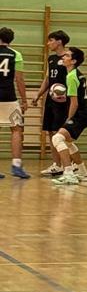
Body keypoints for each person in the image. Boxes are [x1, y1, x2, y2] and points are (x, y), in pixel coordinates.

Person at [31, 28, 71, 176]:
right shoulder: (51, 59)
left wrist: (68, 95)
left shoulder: (68, 58)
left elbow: (72, 79)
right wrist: (38, 95)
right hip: (50, 99)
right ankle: (57, 165)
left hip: (63, 101)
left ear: (59, 42)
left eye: (51, 40)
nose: (48, 43)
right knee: (49, 131)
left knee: (59, 133)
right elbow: (48, 79)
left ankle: (69, 165)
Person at [51, 46, 87, 185]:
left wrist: (69, 119)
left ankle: (68, 173)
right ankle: (83, 173)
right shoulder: (78, 74)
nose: (63, 57)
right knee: (68, 142)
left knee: (57, 138)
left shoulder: (71, 76)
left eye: (67, 56)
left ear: (73, 61)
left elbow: (74, 103)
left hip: (80, 114)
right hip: (85, 113)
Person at [0, 26, 29, 179]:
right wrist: (24, 100)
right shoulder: (16, 54)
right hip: (8, 96)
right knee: (16, 129)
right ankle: (16, 166)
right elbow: (19, 80)